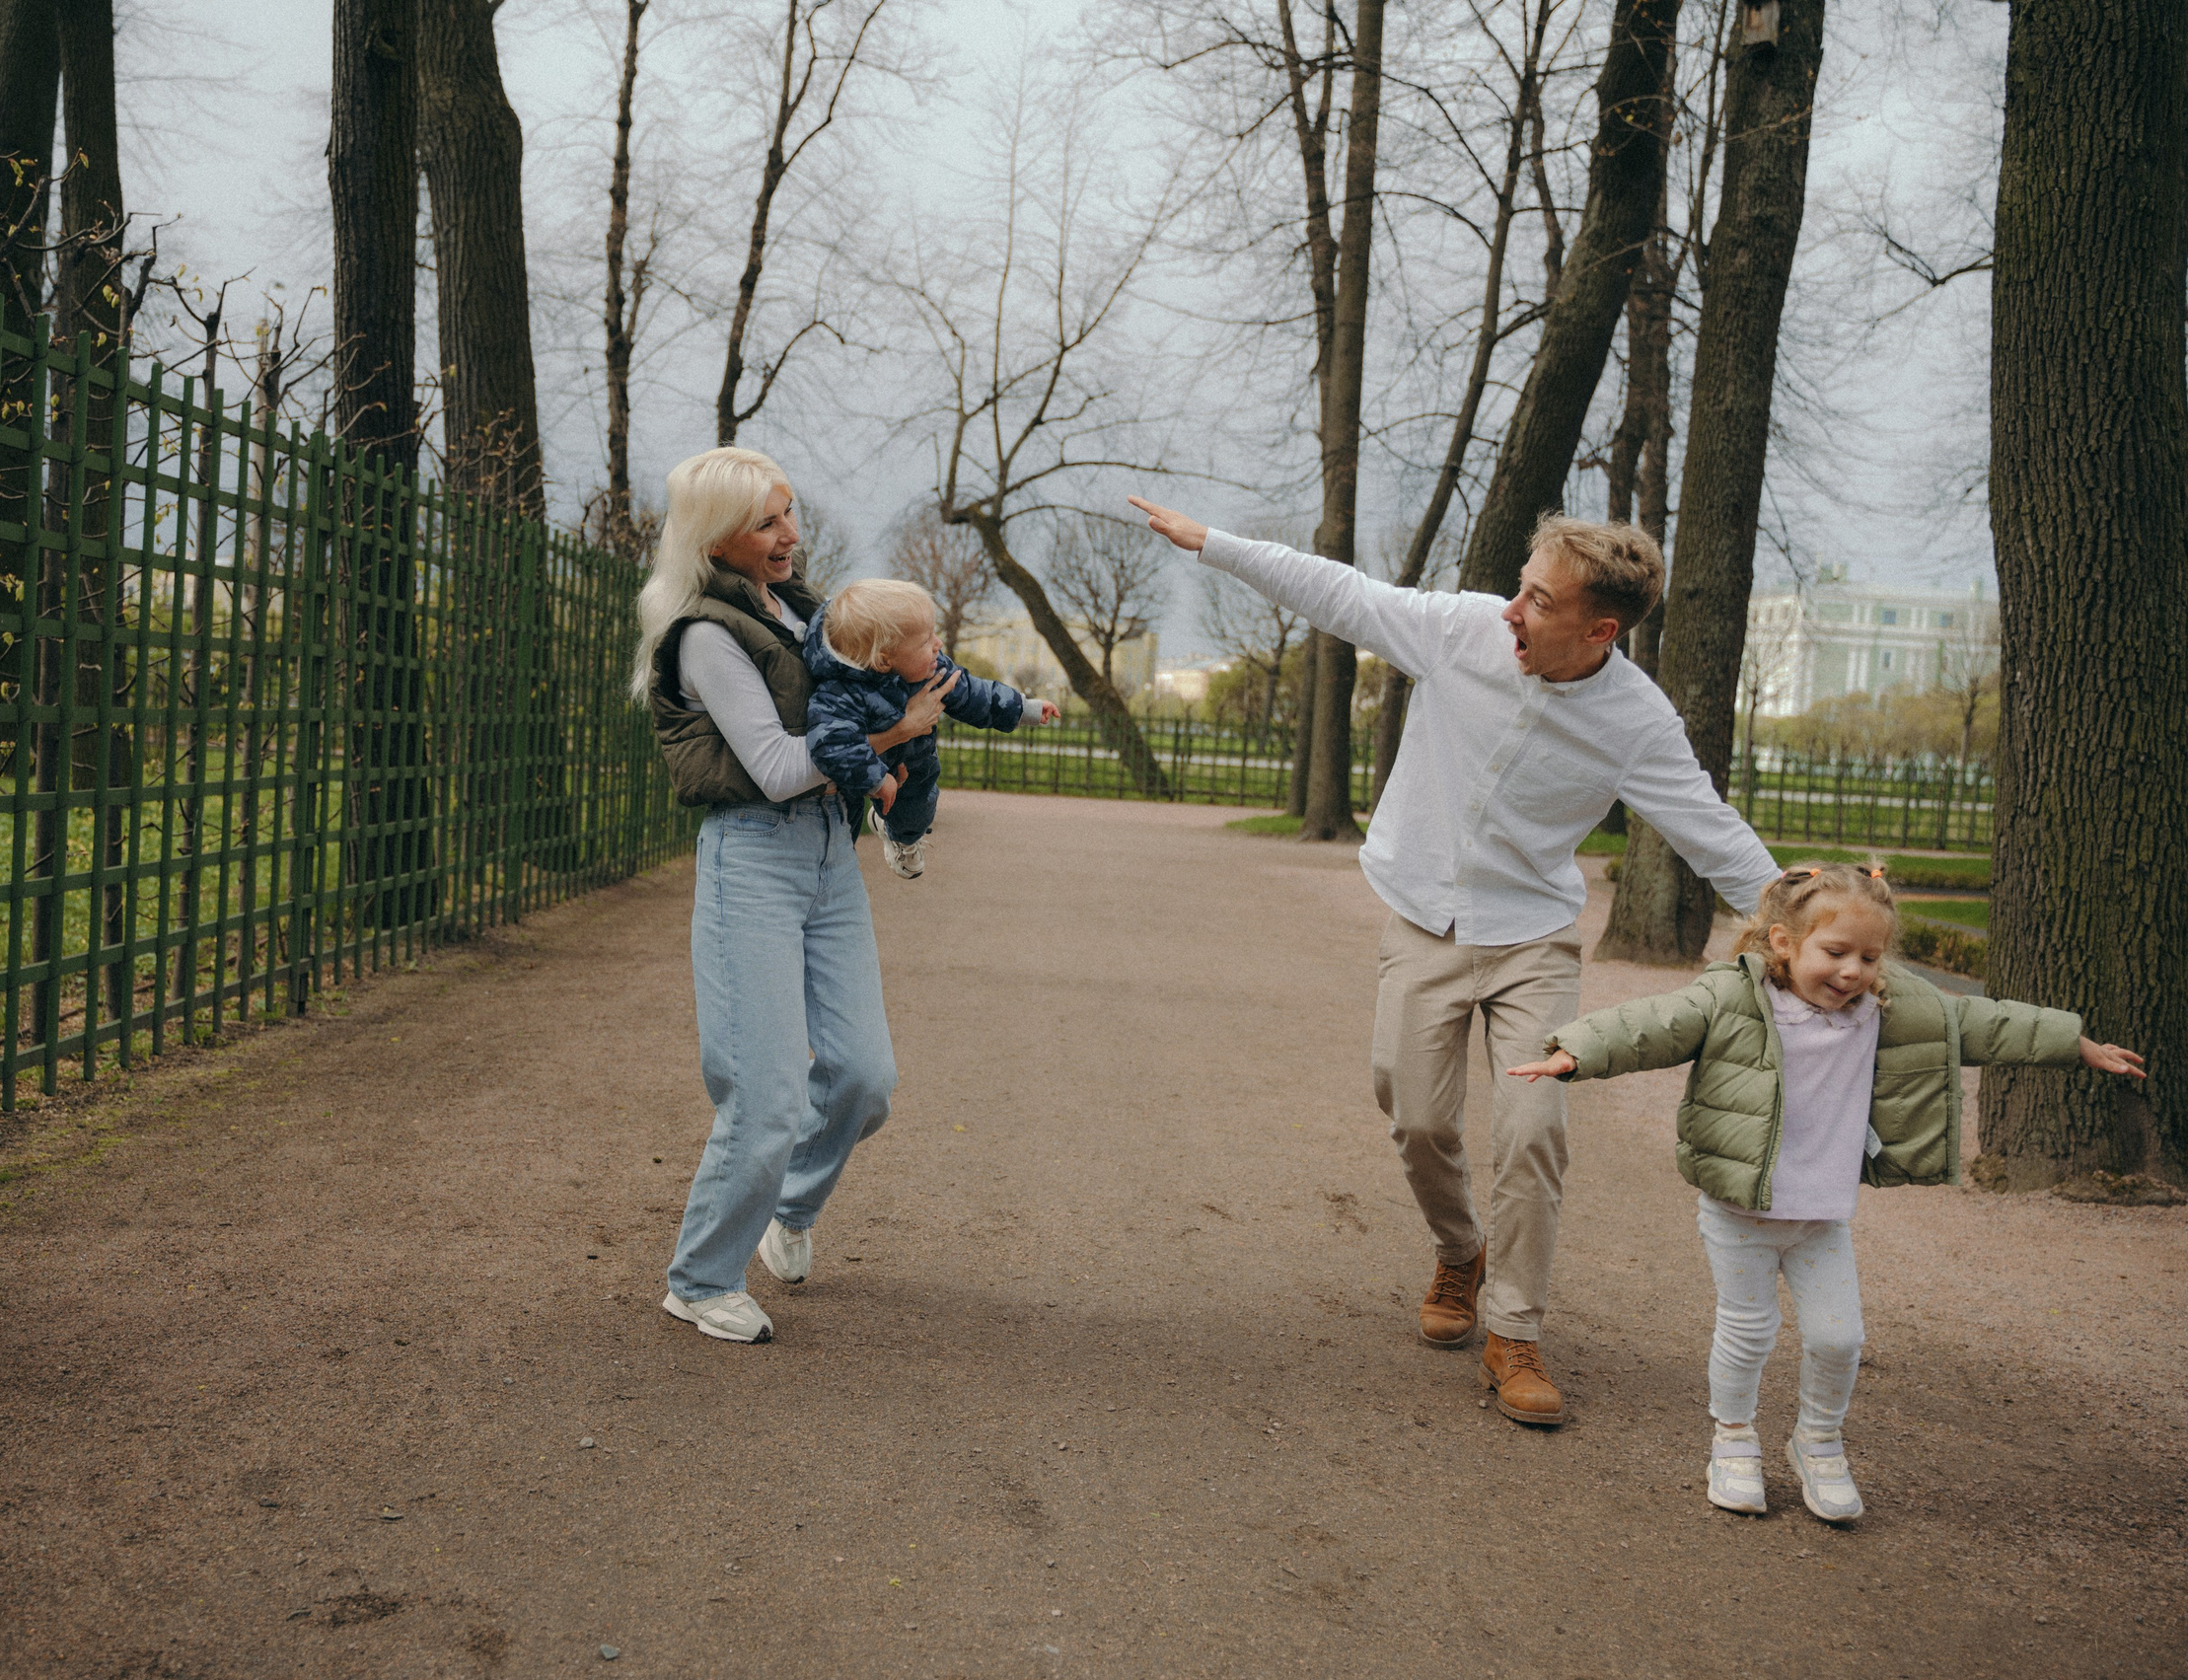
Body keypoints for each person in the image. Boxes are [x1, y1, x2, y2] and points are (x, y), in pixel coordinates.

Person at [1128, 494, 1785, 1426]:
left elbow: (1713, 834)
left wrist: (1798, 924)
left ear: (1599, 629)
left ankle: (1514, 1330)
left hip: (1532, 942)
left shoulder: (1637, 721)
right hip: (1425, 921)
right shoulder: (1462, 630)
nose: (1511, 609)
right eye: (1519, 587)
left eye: (1538, 601)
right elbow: (1342, 593)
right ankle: (1459, 1247)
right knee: (1416, 1113)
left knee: (1532, 1128)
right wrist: (1216, 544)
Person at [1508, 863, 2145, 1520]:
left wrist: (2076, 1043)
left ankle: (1817, 1442)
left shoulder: (1886, 1010)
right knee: (1749, 1331)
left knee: (1840, 1338)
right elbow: (1655, 1021)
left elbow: (1980, 1022)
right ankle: (1732, 1440)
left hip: (1822, 1218)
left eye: (1869, 957)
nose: (1852, 972)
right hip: (1739, 1212)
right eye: (1835, 952)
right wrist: (1578, 1050)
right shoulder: (1733, 997)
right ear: (1784, 942)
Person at [634, 447, 957, 1344]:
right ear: (718, 536)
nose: (789, 533)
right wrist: (897, 726)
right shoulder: (705, 635)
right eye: (767, 521)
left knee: (863, 1077)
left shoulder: (803, 611)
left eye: (789, 513)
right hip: (753, 856)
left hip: (826, 851)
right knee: (766, 1090)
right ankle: (699, 1277)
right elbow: (777, 767)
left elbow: (866, 686)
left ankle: (789, 1208)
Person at [804, 576, 1060, 878]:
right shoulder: (839, 693)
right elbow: (832, 744)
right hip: (871, 772)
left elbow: (974, 693)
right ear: (884, 660)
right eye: (926, 640)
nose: (938, 644)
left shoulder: (930, 669)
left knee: (918, 813)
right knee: (845, 829)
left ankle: (905, 840)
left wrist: (1024, 708)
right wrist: (875, 779)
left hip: (917, 765)